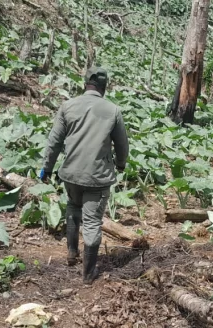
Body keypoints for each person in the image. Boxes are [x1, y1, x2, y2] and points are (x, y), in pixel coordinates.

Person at [39, 66, 129, 285]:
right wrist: (120, 165)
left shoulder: (67, 106)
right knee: (92, 222)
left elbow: (54, 142)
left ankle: (72, 253)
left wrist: (46, 168)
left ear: (85, 83)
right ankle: (88, 274)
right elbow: (122, 145)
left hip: (71, 174)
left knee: (72, 209)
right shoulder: (112, 110)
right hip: (97, 178)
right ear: (104, 86)